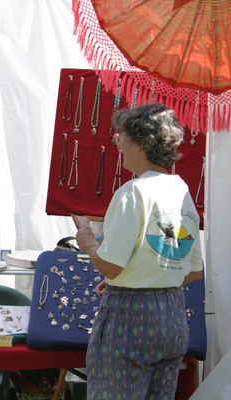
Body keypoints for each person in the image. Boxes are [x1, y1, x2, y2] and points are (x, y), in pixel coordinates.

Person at [74, 103, 203, 400]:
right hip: (172, 315)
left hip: (129, 320)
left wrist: (88, 244)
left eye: (123, 136)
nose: (118, 142)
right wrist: (140, 278)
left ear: (141, 144)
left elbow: (111, 267)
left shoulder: (133, 192)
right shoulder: (181, 190)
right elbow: (192, 271)